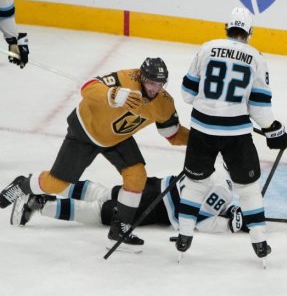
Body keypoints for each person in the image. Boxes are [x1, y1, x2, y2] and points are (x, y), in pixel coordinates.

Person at [0, 57, 189, 251]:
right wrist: (113, 94)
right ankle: (23, 185)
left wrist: (200, 139)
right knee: (57, 184)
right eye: (151, 82)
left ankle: (119, 231)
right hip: (85, 131)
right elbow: (88, 87)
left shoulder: (164, 103)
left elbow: (173, 134)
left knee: (137, 175)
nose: (155, 88)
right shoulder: (126, 78)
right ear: (142, 77)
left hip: (117, 139)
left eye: (160, 84)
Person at [175, 6, 287, 262]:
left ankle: (184, 236)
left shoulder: (207, 48)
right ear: (249, 32)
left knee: (195, 184)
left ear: (227, 28)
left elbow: (187, 94)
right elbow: (259, 107)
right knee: (247, 187)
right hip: (235, 134)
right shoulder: (256, 57)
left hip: (202, 129)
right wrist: (273, 130)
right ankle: (259, 242)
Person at [10, 173, 247, 237]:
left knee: (103, 193)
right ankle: (38, 203)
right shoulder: (225, 189)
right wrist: (229, 225)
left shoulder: (216, 165)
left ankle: (38, 183)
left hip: (153, 185)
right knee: (101, 212)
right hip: (157, 206)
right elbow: (198, 220)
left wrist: (229, 211)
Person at [0, 0, 29, 69]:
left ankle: (18, 46)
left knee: (14, 40)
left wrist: (14, 42)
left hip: (4, 9)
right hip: (5, 9)